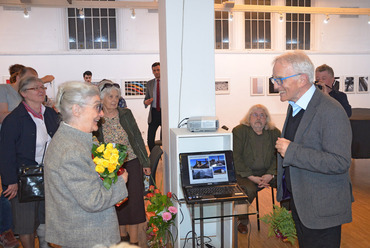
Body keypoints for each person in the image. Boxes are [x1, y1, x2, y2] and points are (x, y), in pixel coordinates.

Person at [272, 51, 353, 248]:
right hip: (302, 205)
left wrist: (292, 151)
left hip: (322, 210)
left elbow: (340, 161)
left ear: (302, 80)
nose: (275, 86)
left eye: (280, 79)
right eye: (274, 79)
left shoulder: (330, 110)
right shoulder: (294, 106)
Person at [44, 81, 128, 247]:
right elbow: (94, 200)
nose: (102, 113)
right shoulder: (71, 149)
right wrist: (121, 181)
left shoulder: (74, 140)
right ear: (76, 110)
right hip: (87, 236)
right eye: (97, 107)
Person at [0, 76, 60, 248]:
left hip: (48, 175)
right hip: (23, 178)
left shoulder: (49, 114)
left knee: (45, 219)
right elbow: (6, 153)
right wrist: (10, 181)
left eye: (42, 87)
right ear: (23, 93)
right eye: (35, 88)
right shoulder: (14, 119)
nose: (41, 90)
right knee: (26, 222)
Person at [94, 80, 150, 246]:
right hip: (109, 166)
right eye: (110, 96)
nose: (114, 99)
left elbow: (137, 138)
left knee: (134, 200)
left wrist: (145, 162)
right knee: (117, 201)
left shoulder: (125, 114)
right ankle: (121, 237)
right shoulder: (97, 117)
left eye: (117, 97)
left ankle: (133, 241)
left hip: (131, 161)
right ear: (102, 98)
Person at [232, 104, 281, 234]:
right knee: (246, 190)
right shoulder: (239, 131)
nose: (258, 118)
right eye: (255, 114)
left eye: (262, 115)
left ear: (267, 119)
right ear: (249, 117)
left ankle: (285, 218)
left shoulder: (274, 132)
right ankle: (242, 221)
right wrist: (251, 176)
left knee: (287, 183)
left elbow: (278, 157)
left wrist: (271, 174)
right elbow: (236, 157)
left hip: (268, 174)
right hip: (245, 174)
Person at [144, 62, 161, 151]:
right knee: (150, 140)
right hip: (153, 113)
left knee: (165, 139)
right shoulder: (150, 83)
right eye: (154, 70)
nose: (156, 72)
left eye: (158, 70)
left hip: (165, 113)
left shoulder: (167, 82)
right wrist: (146, 102)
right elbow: (146, 99)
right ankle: (153, 157)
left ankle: (166, 158)